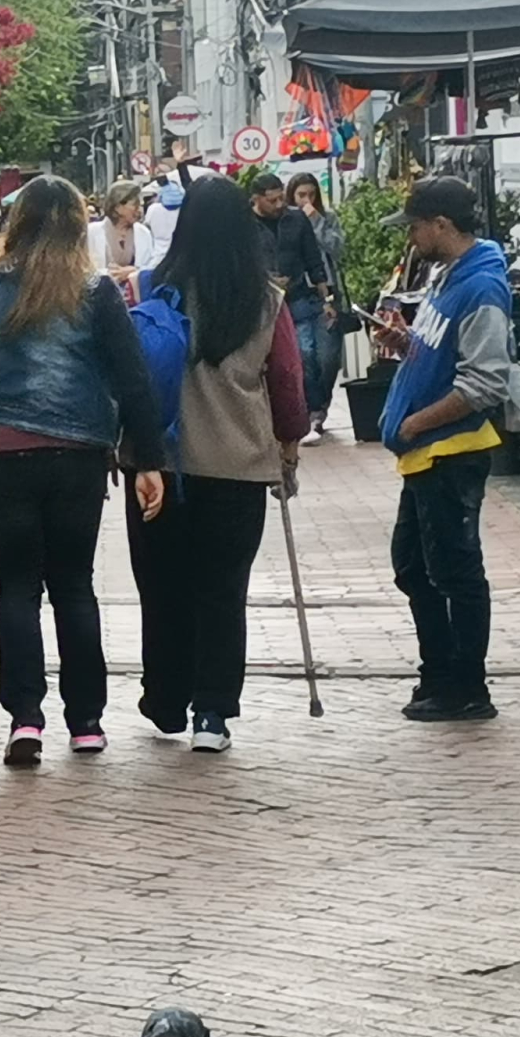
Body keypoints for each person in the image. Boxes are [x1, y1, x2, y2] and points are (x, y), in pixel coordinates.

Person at [0, 175, 169, 768]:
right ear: (80, 225)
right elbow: (133, 379)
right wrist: (147, 461)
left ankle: (25, 719)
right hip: (78, 456)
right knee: (76, 587)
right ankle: (86, 723)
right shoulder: (96, 289)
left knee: (19, 589)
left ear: (16, 221)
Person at [126, 179, 308, 753]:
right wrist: (289, 443)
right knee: (223, 591)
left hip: (160, 465)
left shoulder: (149, 288)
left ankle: (165, 699)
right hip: (237, 465)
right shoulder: (266, 301)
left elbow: (126, 376)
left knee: (161, 587)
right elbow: (286, 384)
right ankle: (212, 713)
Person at [379, 177, 512, 724]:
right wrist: (408, 343)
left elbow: (485, 381)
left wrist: (417, 422)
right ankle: (438, 672)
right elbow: (445, 349)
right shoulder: (448, 277)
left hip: (450, 452)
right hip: (427, 453)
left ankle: (465, 685)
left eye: (414, 226)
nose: (410, 238)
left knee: (454, 569)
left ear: (441, 225)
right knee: (414, 565)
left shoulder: (481, 289)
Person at [254, 175, 335, 447]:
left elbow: (313, 257)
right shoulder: (246, 224)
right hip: (266, 301)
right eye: (272, 200)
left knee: (316, 355)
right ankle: (303, 413)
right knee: (294, 357)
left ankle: (315, 410)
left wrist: (327, 295)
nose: (279, 204)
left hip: (300, 295)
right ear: (256, 199)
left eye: (280, 198)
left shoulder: (296, 219)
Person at [286, 172, 348, 440]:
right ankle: (314, 411)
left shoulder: (327, 219)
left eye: (311, 194)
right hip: (299, 295)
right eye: (301, 195)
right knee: (305, 354)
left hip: (327, 296)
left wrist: (315, 220)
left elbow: (337, 248)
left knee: (328, 357)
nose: (306, 200)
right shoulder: (286, 223)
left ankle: (320, 404)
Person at [85, 180, 163, 302]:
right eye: (135, 204)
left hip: (134, 301)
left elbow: (152, 267)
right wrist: (110, 275)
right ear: (118, 207)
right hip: (100, 300)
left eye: (141, 204)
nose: (139, 209)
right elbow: (85, 268)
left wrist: (134, 271)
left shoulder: (143, 232)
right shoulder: (92, 232)